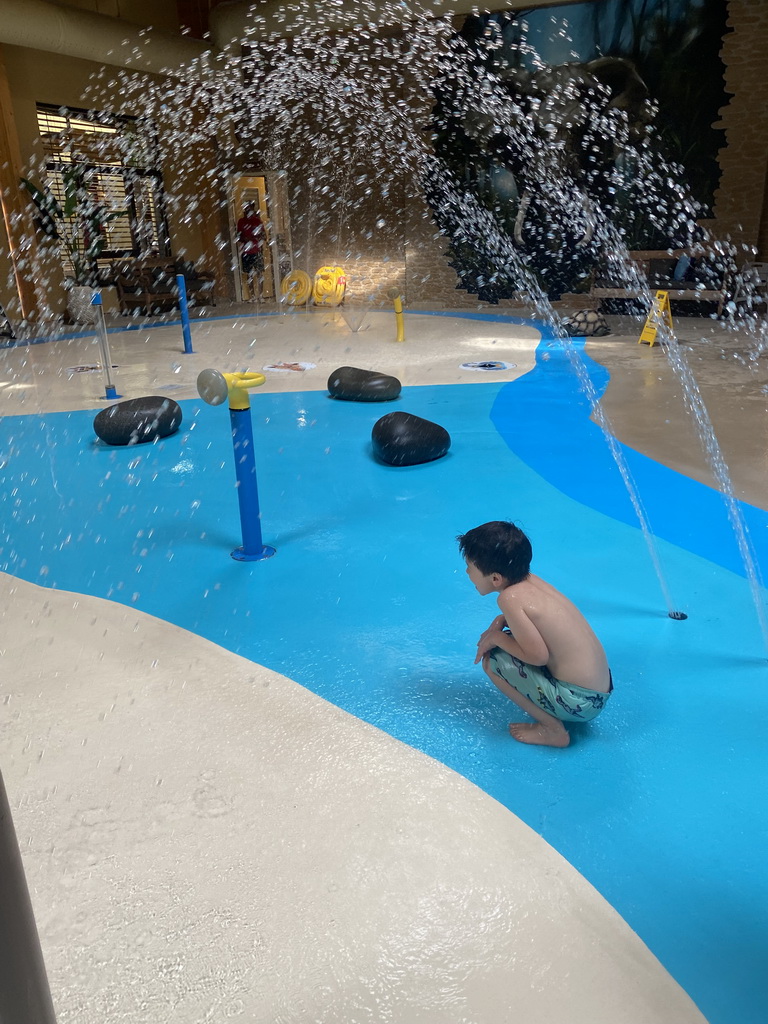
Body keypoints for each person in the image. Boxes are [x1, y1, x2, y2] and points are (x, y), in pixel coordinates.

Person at [458, 520, 612, 748]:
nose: (467, 571)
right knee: (509, 636)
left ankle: (553, 730)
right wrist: (500, 622)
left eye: (471, 566)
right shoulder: (531, 580)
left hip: (579, 702)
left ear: (495, 579)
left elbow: (538, 656)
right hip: (599, 689)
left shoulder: (508, 598)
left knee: (494, 659)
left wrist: (495, 637)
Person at [236, 201, 265, 302]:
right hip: (246, 252)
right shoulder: (241, 222)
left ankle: (261, 296)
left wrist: (258, 236)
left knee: (260, 273)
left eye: (250, 208)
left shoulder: (258, 221)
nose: (248, 210)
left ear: (253, 208)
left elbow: (264, 235)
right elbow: (238, 237)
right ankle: (252, 296)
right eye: (246, 208)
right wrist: (245, 238)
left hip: (257, 250)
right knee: (249, 274)